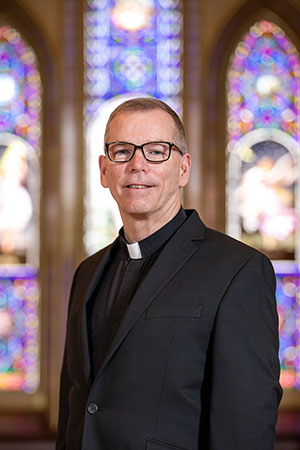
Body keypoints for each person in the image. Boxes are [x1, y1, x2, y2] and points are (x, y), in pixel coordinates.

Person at [56, 97, 282, 450]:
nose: (137, 165)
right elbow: (75, 409)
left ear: (183, 168)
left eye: (157, 151)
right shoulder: (88, 273)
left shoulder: (239, 271)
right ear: (104, 170)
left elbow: (244, 428)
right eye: (121, 151)